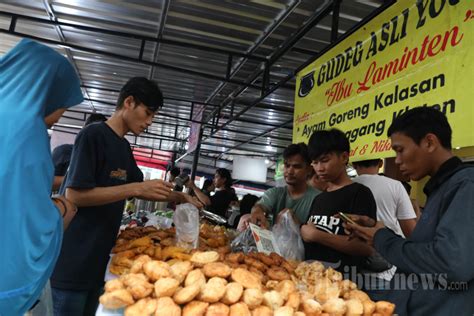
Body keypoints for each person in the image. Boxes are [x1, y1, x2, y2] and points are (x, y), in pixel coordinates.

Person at [50, 77, 201, 316]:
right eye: (147, 113)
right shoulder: (93, 136)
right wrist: (135, 189)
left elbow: (143, 187)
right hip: (74, 260)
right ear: (129, 102)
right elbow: (75, 195)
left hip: (101, 261)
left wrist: (181, 198)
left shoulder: (123, 147)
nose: (149, 122)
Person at [346, 107, 474, 315]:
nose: (396, 160)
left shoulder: (466, 184)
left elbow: (452, 264)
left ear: (429, 142)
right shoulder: (441, 188)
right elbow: (425, 248)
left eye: (400, 150)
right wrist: (377, 231)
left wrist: (382, 238)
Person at [0, 39, 83, 315]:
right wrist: (61, 210)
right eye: (63, 103)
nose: (61, 114)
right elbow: (24, 216)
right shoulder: (28, 131)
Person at [300, 129, 376, 275]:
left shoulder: (360, 194)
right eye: (315, 162)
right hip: (312, 280)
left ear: (344, 157)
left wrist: (316, 236)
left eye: (325, 160)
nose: (319, 168)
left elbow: (366, 248)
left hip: (344, 284)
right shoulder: (319, 198)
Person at [249, 143, 320, 228]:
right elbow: (260, 206)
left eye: (296, 167)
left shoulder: (318, 199)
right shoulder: (275, 193)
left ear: (309, 170)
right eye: (287, 165)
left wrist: (297, 224)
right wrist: (257, 211)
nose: (290, 171)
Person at [352, 159, 417, 238]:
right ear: (380, 164)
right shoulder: (395, 186)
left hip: (355, 244)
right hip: (389, 244)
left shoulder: (347, 187)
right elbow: (410, 230)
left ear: (354, 165)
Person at [51, 114, 107, 191]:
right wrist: (77, 179)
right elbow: (46, 181)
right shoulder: (64, 151)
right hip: (61, 200)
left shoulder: (103, 159)